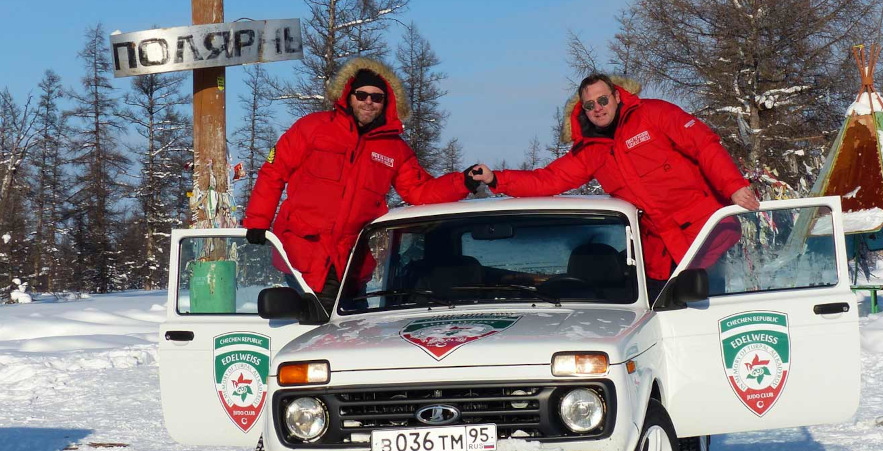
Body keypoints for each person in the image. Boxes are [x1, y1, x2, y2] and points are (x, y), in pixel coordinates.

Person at [469, 74, 760, 298]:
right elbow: (549, 179)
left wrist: (733, 186)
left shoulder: (654, 114)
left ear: (617, 96)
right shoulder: (590, 152)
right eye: (590, 105)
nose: (598, 108)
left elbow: (703, 145)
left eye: (603, 100)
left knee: (708, 312)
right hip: (658, 251)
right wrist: (497, 179)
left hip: (704, 237)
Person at [242, 57, 479, 304]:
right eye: (362, 95)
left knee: (352, 329)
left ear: (386, 103)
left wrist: (462, 182)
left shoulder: (394, 149)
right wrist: (258, 220)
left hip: (352, 259)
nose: (368, 102)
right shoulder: (312, 128)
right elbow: (274, 171)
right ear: (348, 95)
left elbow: (419, 191)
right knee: (329, 326)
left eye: (376, 97)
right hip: (303, 248)